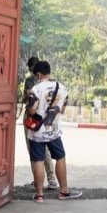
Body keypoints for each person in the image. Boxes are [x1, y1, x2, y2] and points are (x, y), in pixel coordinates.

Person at [25, 60, 81, 203]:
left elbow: (32, 110)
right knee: (60, 157)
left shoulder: (35, 90)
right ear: (48, 72)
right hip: (54, 131)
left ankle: (39, 195)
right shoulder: (62, 88)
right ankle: (63, 191)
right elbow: (62, 110)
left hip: (37, 132)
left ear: (38, 74)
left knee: (38, 160)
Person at [22, 56, 57, 189]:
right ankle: (51, 179)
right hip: (47, 117)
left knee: (33, 150)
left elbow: (28, 100)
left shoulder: (30, 81)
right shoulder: (53, 83)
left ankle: (38, 181)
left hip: (33, 118)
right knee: (46, 149)